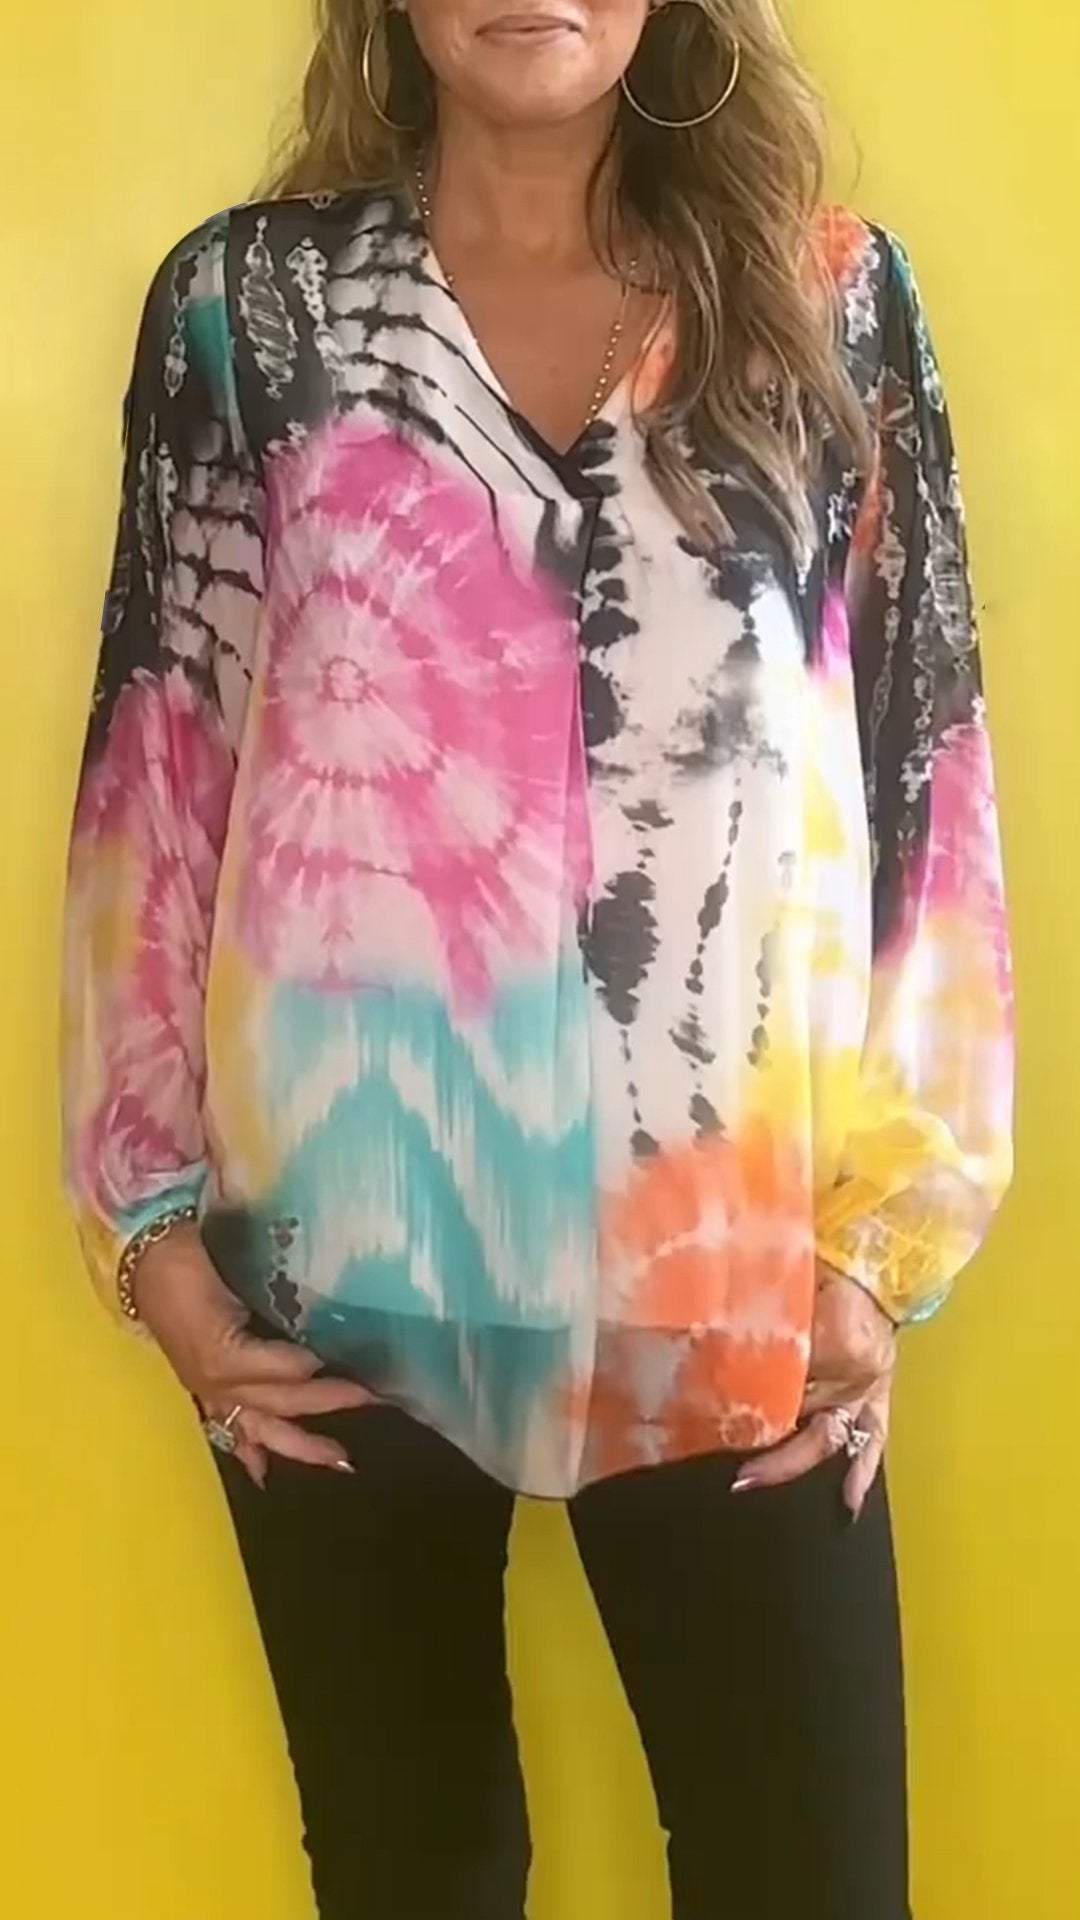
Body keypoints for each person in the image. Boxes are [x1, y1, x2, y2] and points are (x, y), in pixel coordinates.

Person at [59, 2, 1015, 1915]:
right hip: (338, 1285)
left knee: (812, 1878)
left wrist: (881, 1253)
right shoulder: (254, 317)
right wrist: (152, 1237)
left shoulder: (824, 304)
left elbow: (933, 780)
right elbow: (156, 777)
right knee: (412, 1876)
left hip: (729, 1286)